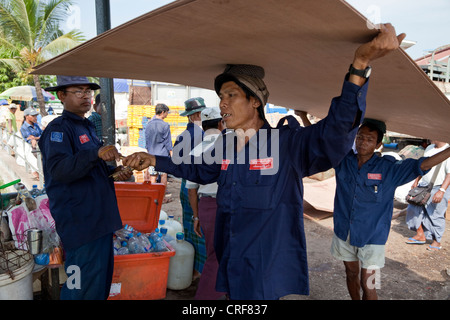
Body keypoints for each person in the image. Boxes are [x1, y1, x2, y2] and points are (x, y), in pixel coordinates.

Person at [123, 23, 406, 300]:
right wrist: (154, 160)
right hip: (231, 258)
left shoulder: (287, 143)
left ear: (255, 101)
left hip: (264, 269)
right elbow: (199, 169)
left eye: (231, 95)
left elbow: (336, 131)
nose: (222, 104)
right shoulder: (226, 145)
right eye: (221, 97)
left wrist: (360, 63)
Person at [331, 119, 450, 300]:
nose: (363, 142)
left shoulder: (389, 168)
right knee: (350, 273)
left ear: (378, 144)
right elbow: (323, 144)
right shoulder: (343, 161)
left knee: (369, 284)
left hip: (373, 237)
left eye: (369, 139)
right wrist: (305, 118)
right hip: (344, 231)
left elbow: (424, 165)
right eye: (360, 137)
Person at [39, 76, 132, 300]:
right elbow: (60, 170)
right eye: (78, 91)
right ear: (62, 96)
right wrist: (95, 153)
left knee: (98, 286)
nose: (86, 96)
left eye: (88, 91)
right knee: (79, 288)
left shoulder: (87, 125)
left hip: (99, 221)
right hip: (81, 225)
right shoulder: (58, 130)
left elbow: (90, 170)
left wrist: (116, 174)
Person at [185, 107, 227, 300]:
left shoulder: (195, 151)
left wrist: (196, 215)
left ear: (203, 125)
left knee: (214, 252)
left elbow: (191, 189)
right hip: (226, 205)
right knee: (221, 256)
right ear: (221, 124)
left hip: (206, 206)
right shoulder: (229, 147)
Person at [174, 97, 207, 280]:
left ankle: (191, 268)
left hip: (184, 186)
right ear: (196, 114)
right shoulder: (202, 136)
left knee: (189, 226)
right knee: (200, 225)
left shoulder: (182, 136)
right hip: (198, 187)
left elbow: (176, 164)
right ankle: (202, 269)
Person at [405, 141, 450, 251]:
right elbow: (423, 166)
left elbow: (449, 174)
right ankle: (420, 235)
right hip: (423, 185)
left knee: (435, 214)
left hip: (439, 186)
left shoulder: (447, 150)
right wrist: (416, 180)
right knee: (413, 208)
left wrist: (442, 190)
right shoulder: (429, 147)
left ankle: (437, 241)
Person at [144, 103, 173, 189]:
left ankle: (153, 196)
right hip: (163, 156)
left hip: (152, 155)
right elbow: (168, 143)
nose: (167, 114)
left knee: (153, 176)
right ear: (163, 112)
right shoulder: (165, 125)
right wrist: (172, 155)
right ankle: (163, 197)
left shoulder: (149, 124)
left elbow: (147, 142)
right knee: (163, 176)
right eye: (167, 112)